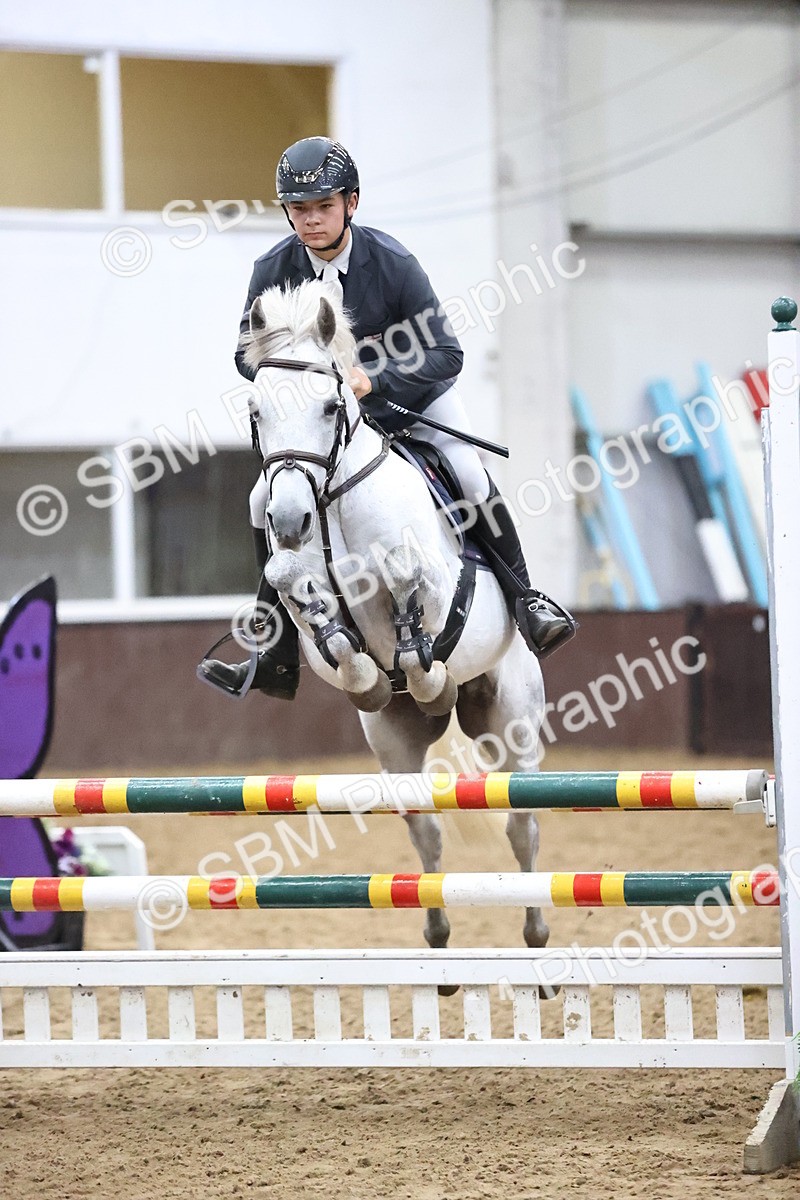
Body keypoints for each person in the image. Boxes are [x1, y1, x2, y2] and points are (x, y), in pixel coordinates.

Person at [199, 136, 575, 699]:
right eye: (299, 210)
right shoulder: (272, 269)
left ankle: (527, 602)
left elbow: (447, 354)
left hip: (409, 401)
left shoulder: (392, 263)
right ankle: (274, 648)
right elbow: (243, 355)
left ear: (351, 202)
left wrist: (373, 379)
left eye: (323, 206)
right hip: (330, 421)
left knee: (468, 473)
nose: (310, 221)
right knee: (263, 500)